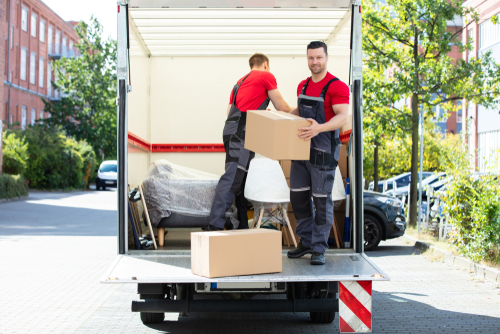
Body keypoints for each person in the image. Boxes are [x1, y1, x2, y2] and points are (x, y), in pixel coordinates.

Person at [208, 53, 293, 231]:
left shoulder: (238, 83)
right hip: (241, 135)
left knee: (240, 179)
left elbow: (230, 111)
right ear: (266, 65)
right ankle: (214, 226)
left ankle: (240, 226)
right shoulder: (266, 76)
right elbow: (282, 107)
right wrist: (302, 112)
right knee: (232, 179)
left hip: (232, 132)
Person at [287, 41, 349, 265]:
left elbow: (342, 116)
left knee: (321, 201)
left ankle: (319, 248)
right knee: (299, 197)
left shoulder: (337, 86)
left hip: (323, 151)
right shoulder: (302, 86)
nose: (315, 62)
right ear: (307, 59)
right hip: (301, 150)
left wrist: (318, 128)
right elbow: (298, 112)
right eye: (311, 58)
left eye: (319, 58)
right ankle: (306, 240)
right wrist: (279, 115)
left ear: (326, 57)